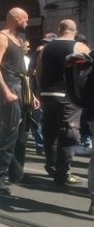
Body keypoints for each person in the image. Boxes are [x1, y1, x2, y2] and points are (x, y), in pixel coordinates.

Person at [0, 7, 38, 195]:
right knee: (8, 136)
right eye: (25, 19)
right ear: (16, 18)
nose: (27, 22)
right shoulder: (1, 38)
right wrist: (6, 91)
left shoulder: (18, 40)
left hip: (21, 89)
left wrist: (31, 95)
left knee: (22, 136)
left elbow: (22, 71)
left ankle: (17, 174)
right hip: (10, 90)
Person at [35, 19, 90, 185]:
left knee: (50, 131)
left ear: (59, 29)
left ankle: (51, 165)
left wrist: (40, 92)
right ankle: (63, 173)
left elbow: (38, 72)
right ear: (74, 30)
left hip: (47, 95)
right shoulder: (79, 47)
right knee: (68, 134)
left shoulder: (44, 49)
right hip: (67, 97)